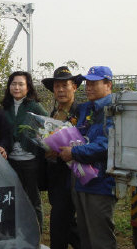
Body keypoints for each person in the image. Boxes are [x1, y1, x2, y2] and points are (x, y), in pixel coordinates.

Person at [59, 66, 116, 249]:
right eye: (87, 83)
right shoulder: (86, 109)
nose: (88, 87)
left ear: (108, 85)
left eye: (94, 83)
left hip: (100, 183)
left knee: (100, 237)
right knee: (84, 235)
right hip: (80, 179)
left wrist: (73, 152)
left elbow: (107, 145)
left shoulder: (113, 110)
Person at [41, 66, 82, 249]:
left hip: (76, 174)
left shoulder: (81, 113)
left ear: (74, 86)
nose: (60, 90)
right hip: (56, 175)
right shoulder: (53, 113)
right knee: (63, 219)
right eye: (57, 86)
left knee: (61, 221)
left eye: (64, 85)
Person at [1, 71, 47, 230]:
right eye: (13, 84)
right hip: (11, 161)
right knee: (13, 199)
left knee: (34, 201)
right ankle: (19, 233)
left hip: (30, 161)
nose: (17, 87)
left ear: (28, 87)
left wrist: (37, 140)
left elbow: (48, 125)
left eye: (21, 84)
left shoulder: (34, 106)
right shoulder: (5, 108)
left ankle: (37, 233)